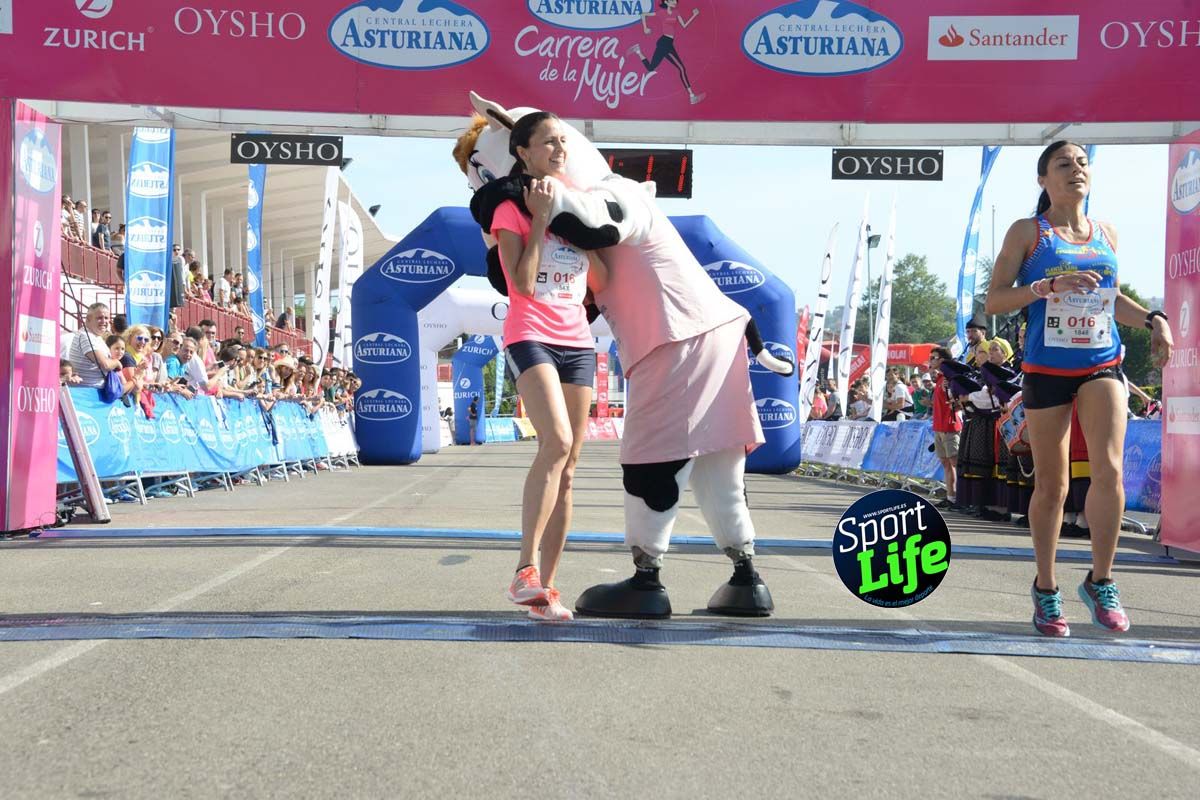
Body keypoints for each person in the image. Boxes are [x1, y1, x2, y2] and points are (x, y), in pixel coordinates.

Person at [985, 140, 1174, 637]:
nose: (1076, 171)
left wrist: (1154, 319)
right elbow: (996, 300)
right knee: (1054, 483)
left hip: (1102, 363)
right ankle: (1046, 589)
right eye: (1063, 164)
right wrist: (1045, 289)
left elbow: (1113, 300)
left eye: (1083, 163)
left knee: (1109, 471)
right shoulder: (1029, 232)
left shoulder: (1105, 231)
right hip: (1047, 368)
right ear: (1043, 179)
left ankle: (1101, 580)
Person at [491, 110, 609, 622]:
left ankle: (549, 590)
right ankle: (524, 572)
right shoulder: (510, 211)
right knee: (555, 443)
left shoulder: (574, 210)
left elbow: (600, 280)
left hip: (577, 342)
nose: (560, 149)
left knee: (570, 471)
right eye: (549, 142)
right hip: (530, 334)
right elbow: (521, 282)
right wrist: (540, 218)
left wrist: (579, 229)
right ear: (524, 152)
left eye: (564, 141)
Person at [628, 1, 705, 104]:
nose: (674, 2)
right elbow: (643, 14)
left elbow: (684, 25)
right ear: (666, 2)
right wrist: (645, 28)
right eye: (672, 0)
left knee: (651, 68)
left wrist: (694, 15)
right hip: (664, 43)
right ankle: (692, 96)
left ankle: (638, 51)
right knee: (681, 68)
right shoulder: (661, 12)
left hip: (667, 43)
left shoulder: (676, 12)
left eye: (675, 1)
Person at [927, 347, 962, 510]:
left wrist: (950, 391)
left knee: (955, 463)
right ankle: (951, 497)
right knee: (946, 464)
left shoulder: (950, 378)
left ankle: (962, 498)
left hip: (950, 426)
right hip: (939, 427)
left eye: (934, 357)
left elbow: (957, 402)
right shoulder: (940, 378)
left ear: (942, 360)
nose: (931, 360)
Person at [68, 302, 121, 388]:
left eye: (106, 318)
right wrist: (117, 363)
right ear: (88, 319)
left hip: (95, 393)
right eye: (99, 318)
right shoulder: (85, 336)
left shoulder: (96, 336)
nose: (104, 321)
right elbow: (105, 364)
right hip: (87, 393)